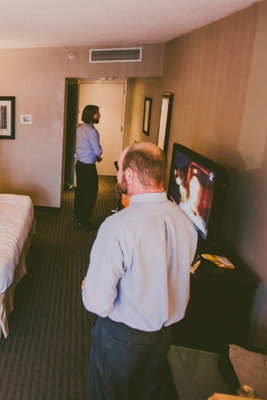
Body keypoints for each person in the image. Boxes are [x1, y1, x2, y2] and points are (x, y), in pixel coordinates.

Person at [81, 142, 197, 400]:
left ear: (130, 174)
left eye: (119, 167)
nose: (119, 172)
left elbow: (98, 303)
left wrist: (89, 286)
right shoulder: (185, 221)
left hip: (121, 338)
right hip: (162, 336)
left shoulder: (118, 227)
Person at [74, 105, 103, 230]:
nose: (99, 115)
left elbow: (84, 147)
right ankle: (83, 220)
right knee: (92, 193)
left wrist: (95, 156)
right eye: (97, 113)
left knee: (80, 190)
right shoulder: (92, 131)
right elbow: (97, 151)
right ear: (91, 115)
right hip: (88, 167)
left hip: (79, 164)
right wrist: (98, 154)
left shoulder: (81, 128)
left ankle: (77, 214)